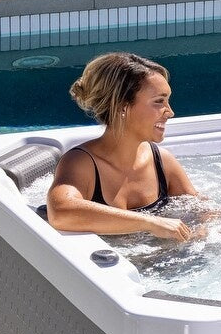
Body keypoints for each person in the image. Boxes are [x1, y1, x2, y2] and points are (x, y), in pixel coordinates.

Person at [46, 52, 200, 240]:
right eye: (159, 101)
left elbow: (201, 210)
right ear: (122, 107)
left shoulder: (162, 161)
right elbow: (60, 212)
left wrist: (204, 230)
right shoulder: (82, 163)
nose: (170, 112)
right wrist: (149, 222)